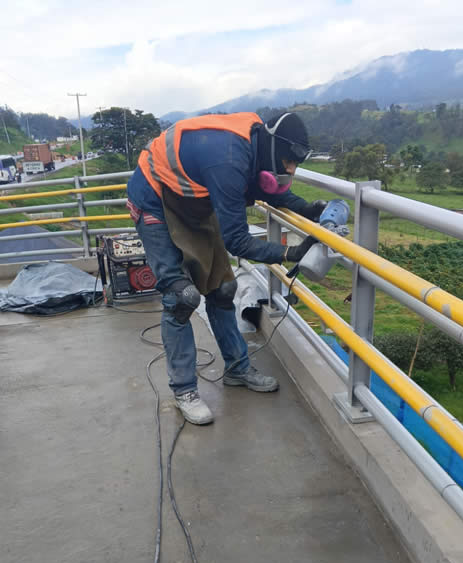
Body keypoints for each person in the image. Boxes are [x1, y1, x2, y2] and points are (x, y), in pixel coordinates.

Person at [126, 111, 326, 425]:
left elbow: (264, 185)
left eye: (294, 164)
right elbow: (238, 242)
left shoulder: (257, 144)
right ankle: (184, 390)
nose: (289, 169)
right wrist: (291, 252)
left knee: (223, 288)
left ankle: (237, 369)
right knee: (181, 297)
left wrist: (305, 208)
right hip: (154, 197)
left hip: (192, 198)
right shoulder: (228, 160)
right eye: (288, 161)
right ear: (274, 148)